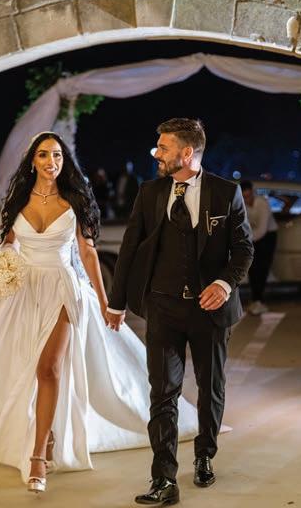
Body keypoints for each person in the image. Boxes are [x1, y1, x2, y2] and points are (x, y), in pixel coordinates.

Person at [0, 132, 198, 494]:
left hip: (62, 287)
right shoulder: (16, 201)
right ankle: (43, 433)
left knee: (49, 367)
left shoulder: (74, 200)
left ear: (63, 161)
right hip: (24, 293)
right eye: (44, 155)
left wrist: (106, 302)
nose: (51, 162)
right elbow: (6, 246)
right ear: (33, 160)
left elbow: (88, 254)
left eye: (57, 155)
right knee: (23, 367)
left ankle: (38, 456)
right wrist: (2, 269)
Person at [105, 118, 253, 505]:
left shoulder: (226, 192)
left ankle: (205, 454)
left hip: (210, 310)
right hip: (163, 307)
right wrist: (116, 302)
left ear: (187, 153)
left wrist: (224, 284)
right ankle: (164, 479)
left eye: (164, 147)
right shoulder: (150, 193)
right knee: (162, 393)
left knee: (210, 387)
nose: (157, 153)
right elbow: (129, 249)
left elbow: (243, 249)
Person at [240, 180, 278, 315]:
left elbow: (262, 228)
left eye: (249, 196)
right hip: (252, 236)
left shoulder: (262, 203)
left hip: (268, 236)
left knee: (262, 268)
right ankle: (255, 300)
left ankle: (259, 300)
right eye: (244, 197)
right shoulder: (241, 204)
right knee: (252, 268)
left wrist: (246, 240)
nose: (247, 199)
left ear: (253, 193)